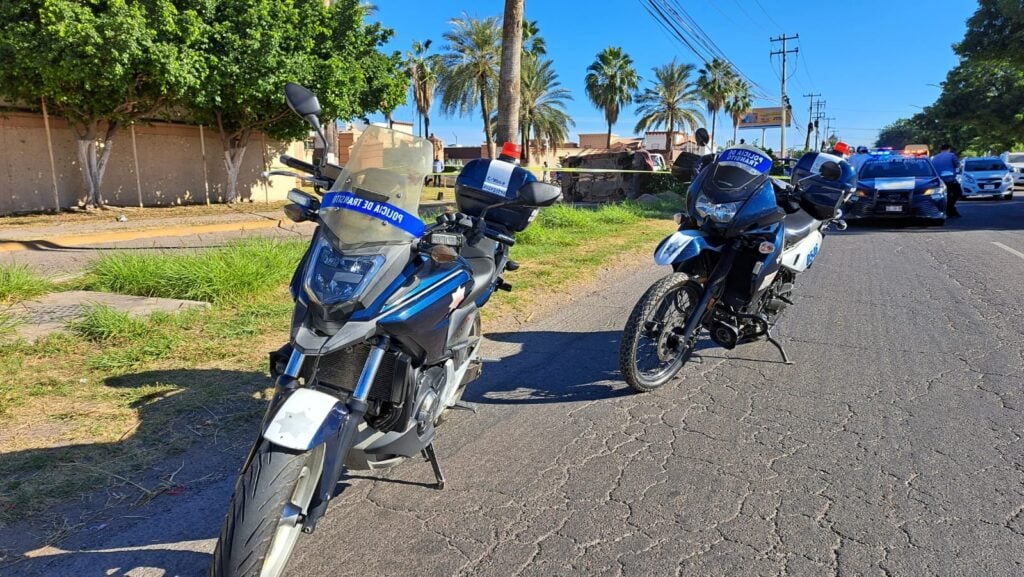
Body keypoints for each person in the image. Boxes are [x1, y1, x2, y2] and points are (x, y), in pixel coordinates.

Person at [931, 143, 961, 217]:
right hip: (950, 179)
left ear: (941, 149)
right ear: (948, 149)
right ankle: (950, 208)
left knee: (944, 195)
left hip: (939, 180)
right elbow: (957, 165)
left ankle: (949, 209)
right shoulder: (951, 155)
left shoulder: (935, 157)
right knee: (958, 193)